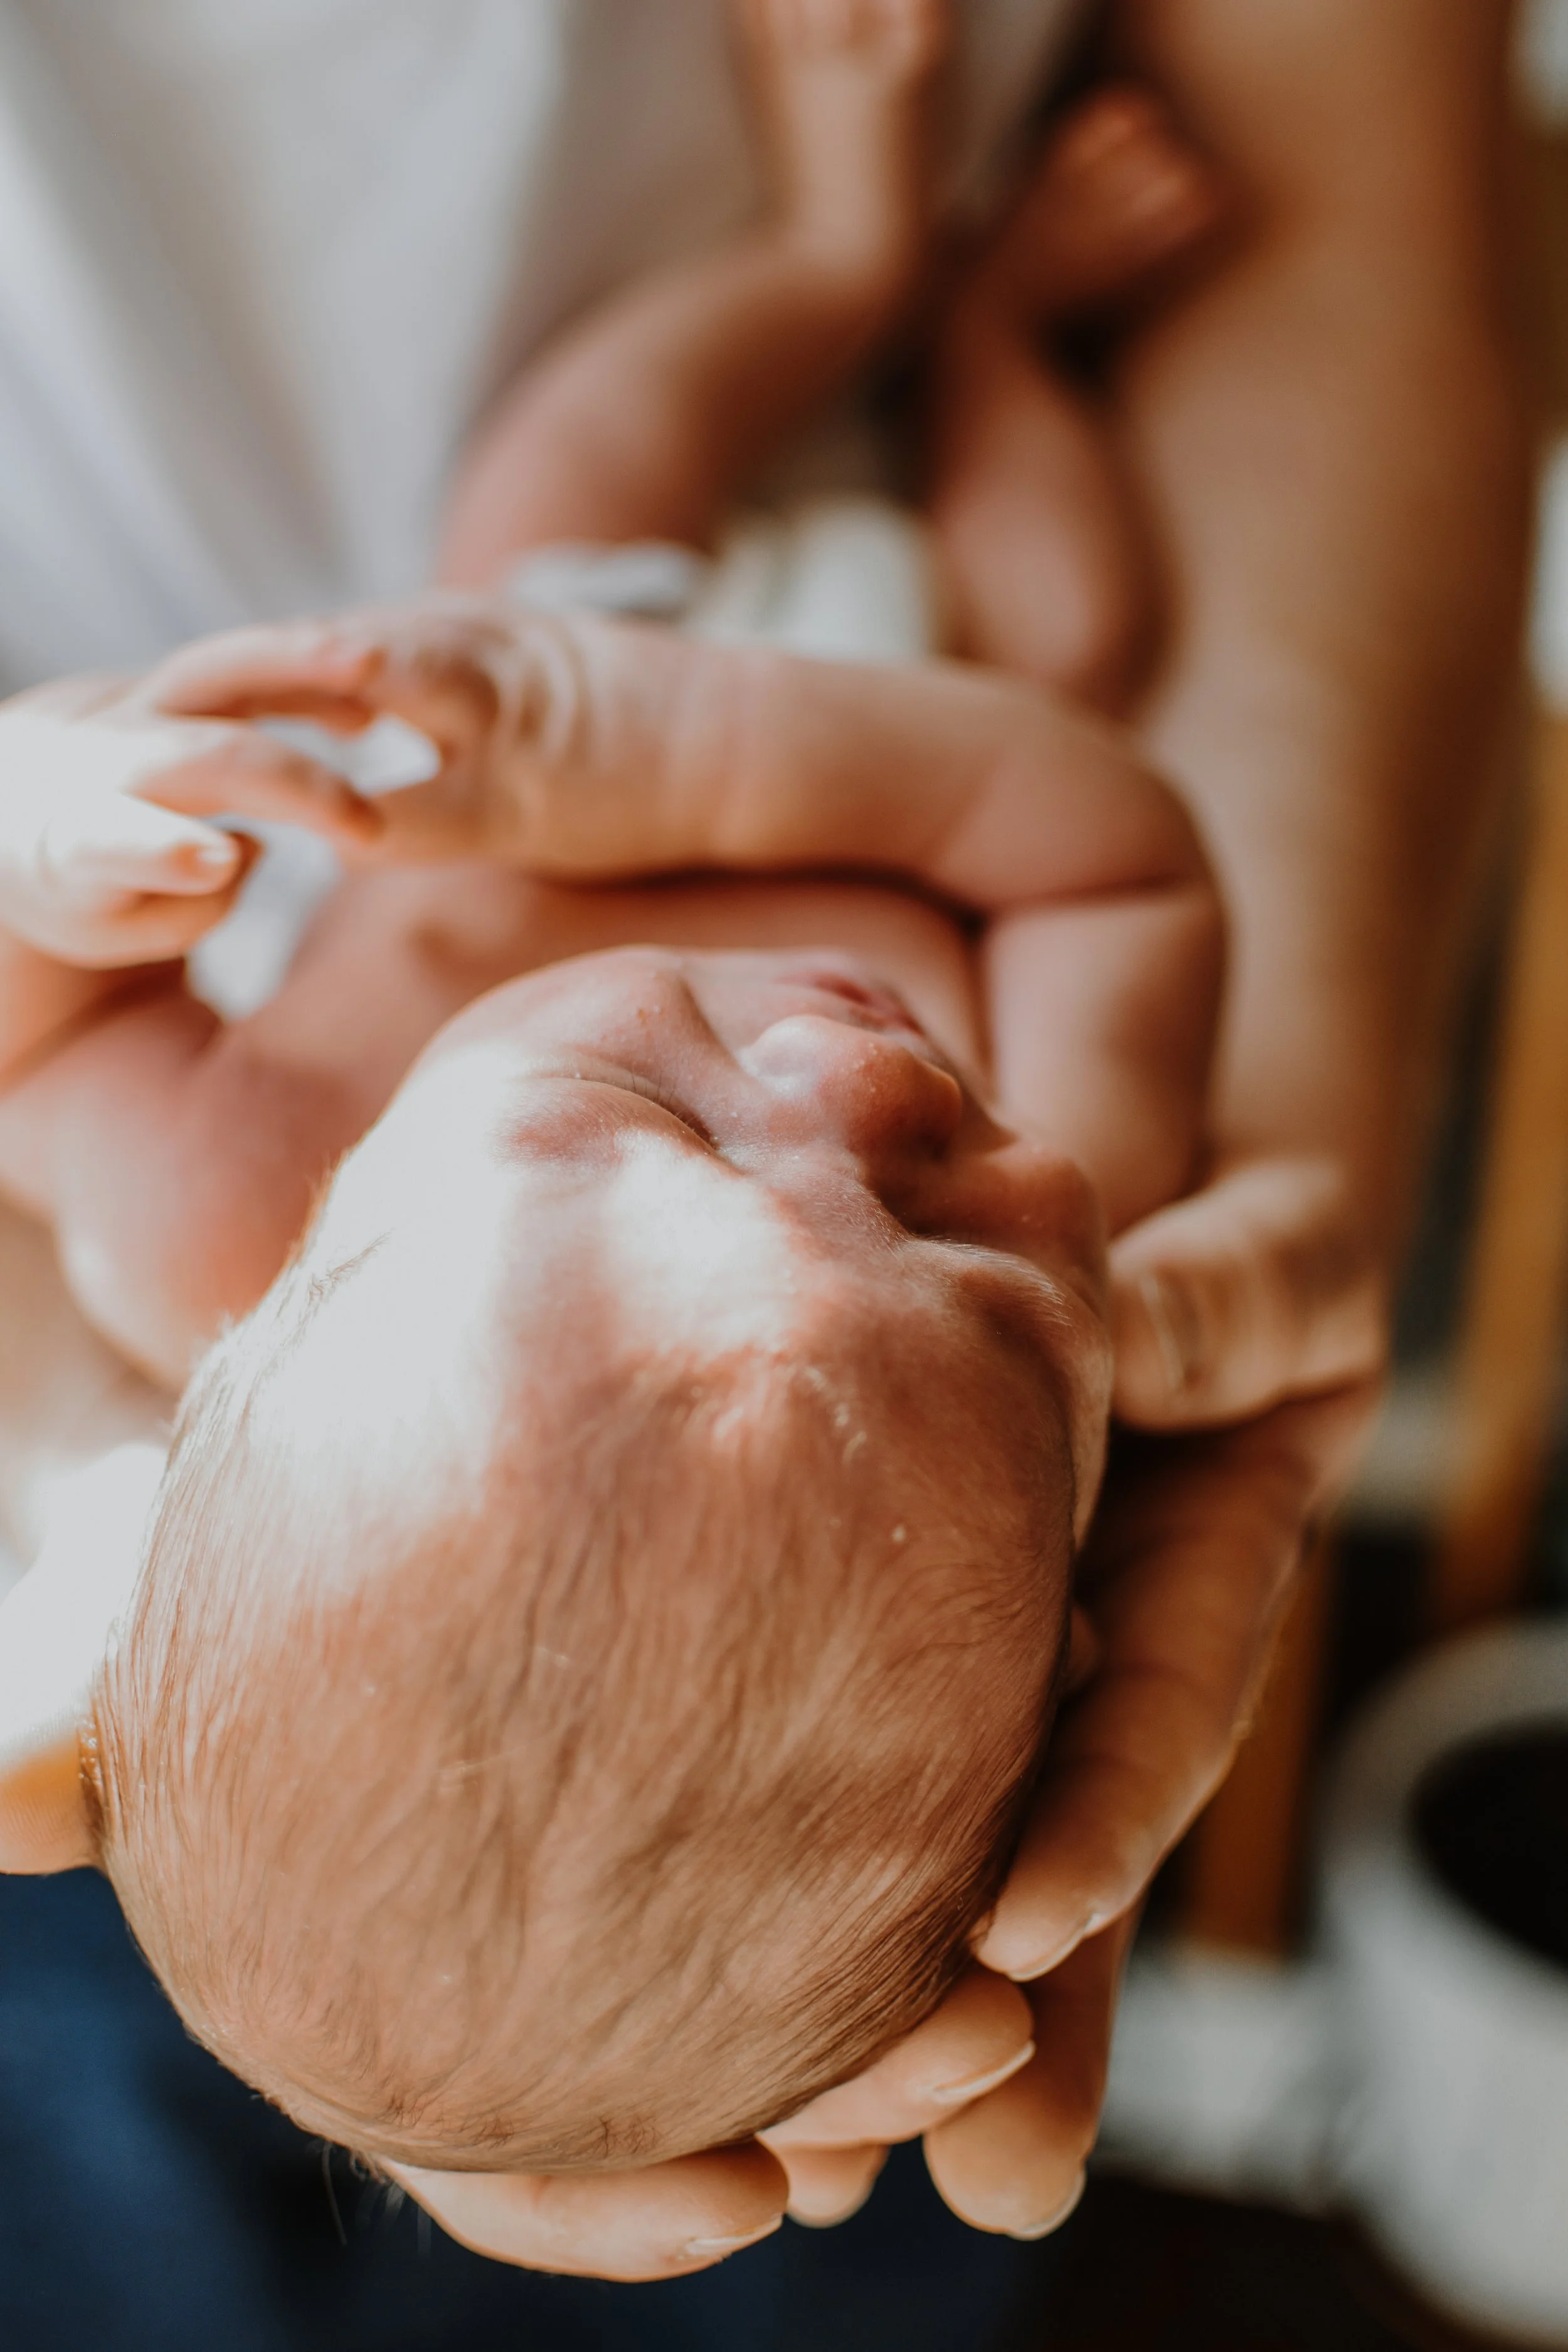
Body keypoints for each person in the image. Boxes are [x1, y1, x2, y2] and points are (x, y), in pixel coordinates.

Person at [0, 0, 1525, 2330]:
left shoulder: (212, 1198)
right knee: (1078, 604)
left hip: (548, 638)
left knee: (552, 504)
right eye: (966, 1265)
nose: (862, 1088)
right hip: (924, 679)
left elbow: (39, 1040)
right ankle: (953, 296)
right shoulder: (1099, 1204)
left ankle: (841, 249)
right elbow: (1112, 851)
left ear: (285, 1331)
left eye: (654, 1127)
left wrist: (62, 858)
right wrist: (750, 755)